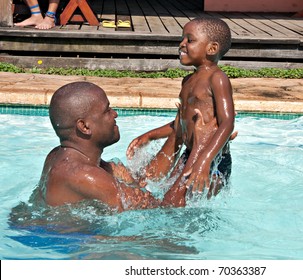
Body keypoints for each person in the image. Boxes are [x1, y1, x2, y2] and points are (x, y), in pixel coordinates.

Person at [36, 81, 190, 212]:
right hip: (66, 241)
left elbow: (143, 182)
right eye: (107, 110)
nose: (115, 114)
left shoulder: (62, 155)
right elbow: (163, 210)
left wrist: (179, 132)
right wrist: (195, 161)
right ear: (84, 126)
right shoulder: (85, 176)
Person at [127, 17, 235, 197]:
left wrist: (204, 161)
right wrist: (150, 135)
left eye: (190, 40)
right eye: (182, 39)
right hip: (190, 152)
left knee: (187, 207)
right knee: (162, 194)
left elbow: (227, 123)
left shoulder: (217, 79)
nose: (181, 44)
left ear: (212, 48)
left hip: (214, 159)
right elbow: (182, 123)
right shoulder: (187, 81)